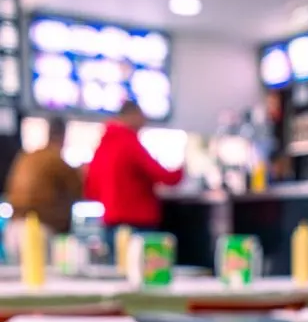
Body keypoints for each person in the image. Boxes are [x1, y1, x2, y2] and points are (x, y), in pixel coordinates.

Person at [85, 101, 184, 258]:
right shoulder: (129, 142)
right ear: (132, 116)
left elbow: (91, 188)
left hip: (111, 223)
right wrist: (181, 169)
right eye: (141, 116)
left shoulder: (103, 144)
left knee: (116, 273)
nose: (143, 121)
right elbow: (165, 177)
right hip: (138, 223)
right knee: (145, 275)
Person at [5, 116, 82, 260]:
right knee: (43, 280)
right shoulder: (57, 161)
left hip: (13, 229)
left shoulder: (26, 157)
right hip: (39, 230)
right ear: (64, 136)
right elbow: (79, 190)